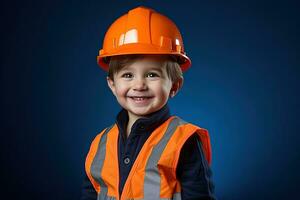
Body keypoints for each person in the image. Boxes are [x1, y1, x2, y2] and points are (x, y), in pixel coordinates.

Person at [81, 6, 216, 200]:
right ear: (112, 84)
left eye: (152, 74)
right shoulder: (100, 143)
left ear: (175, 85)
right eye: (127, 75)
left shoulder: (184, 140)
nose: (139, 84)